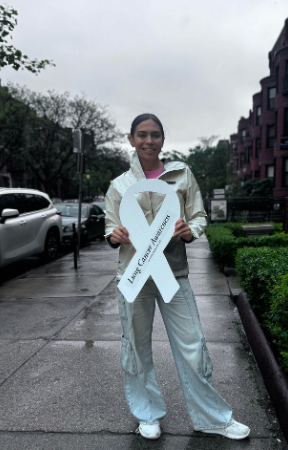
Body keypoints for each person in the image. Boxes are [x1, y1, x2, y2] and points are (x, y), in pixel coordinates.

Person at [104, 113, 251, 441]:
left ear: (163, 140)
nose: (148, 140)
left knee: (192, 346)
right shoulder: (120, 186)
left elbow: (199, 215)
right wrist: (116, 235)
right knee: (136, 348)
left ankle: (211, 417)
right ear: (131, 139)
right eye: (141, 135)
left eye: (155, 134)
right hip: (133, 276)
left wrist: (189, 230)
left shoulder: (181, 174)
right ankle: (148, 414)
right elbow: (109, 229)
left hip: (174, 273)